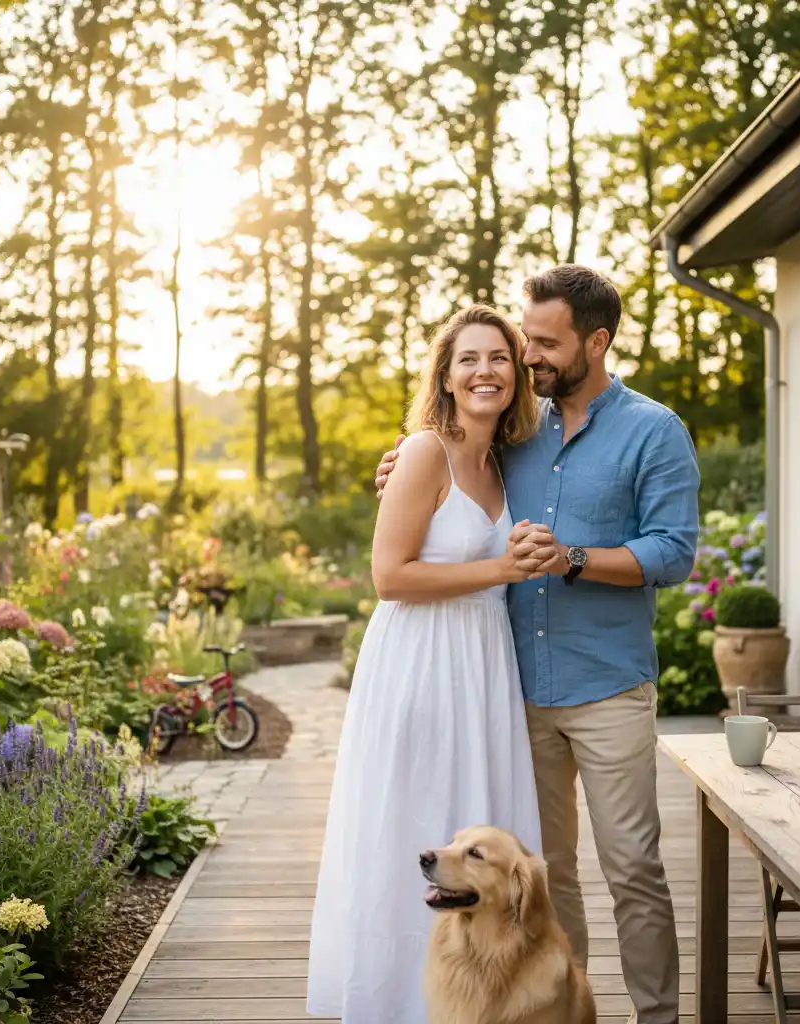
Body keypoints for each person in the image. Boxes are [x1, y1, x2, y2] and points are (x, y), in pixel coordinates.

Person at [374, 265, 700, 1024]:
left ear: (597, 341)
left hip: (608, 685)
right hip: (516, 689)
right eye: (527, 340)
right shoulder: (516, 428)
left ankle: (657, 1016)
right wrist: (399, 464)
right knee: (550, 875)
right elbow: (448, 470)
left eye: (546, 344)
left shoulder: (654, 430)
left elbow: (673, 552)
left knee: (634, 870)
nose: (529, 357)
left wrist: (572, 558)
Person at [306, 304, 550, 1024]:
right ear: (444, 377)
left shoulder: (504, 462)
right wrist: (501, 569)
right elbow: (390, 576)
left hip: (484, 666)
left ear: (517, 376)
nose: (485, 371)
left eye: (499, 358)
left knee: (476, 814)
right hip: (419, 663)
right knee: (414, 817)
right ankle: (400, 1004)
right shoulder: (423, 452)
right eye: (468, 359)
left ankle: (477, 1001)